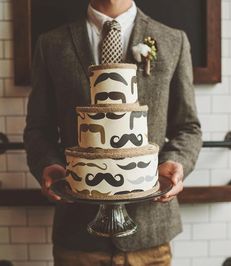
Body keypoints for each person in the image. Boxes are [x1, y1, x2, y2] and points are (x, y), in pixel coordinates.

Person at [24, 0, 202, 265]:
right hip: (77, 235)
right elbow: (38, 128)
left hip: (150, 235)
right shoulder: (51, 43)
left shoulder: (172, 40)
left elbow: (188, 127)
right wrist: (48, 165)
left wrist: (175, 163)